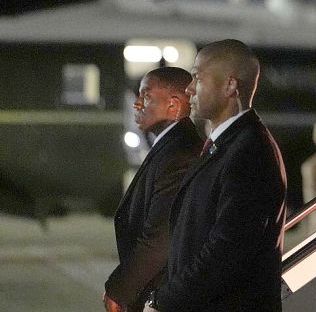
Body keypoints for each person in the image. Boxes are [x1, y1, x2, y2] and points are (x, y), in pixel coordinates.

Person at [144, 39, 286, 312]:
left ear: (230, 86)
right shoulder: (230, 145)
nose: (188, 88)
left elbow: (227, 250)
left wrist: (164, 301)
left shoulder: (249, 152)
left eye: (197, 77)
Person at [104, 67, 202, 312]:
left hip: (163, 294)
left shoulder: (178, 154)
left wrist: (120, 290)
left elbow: (161, 236)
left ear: (175, 105)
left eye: (146, 96)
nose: (136, 104)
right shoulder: (169, 147)